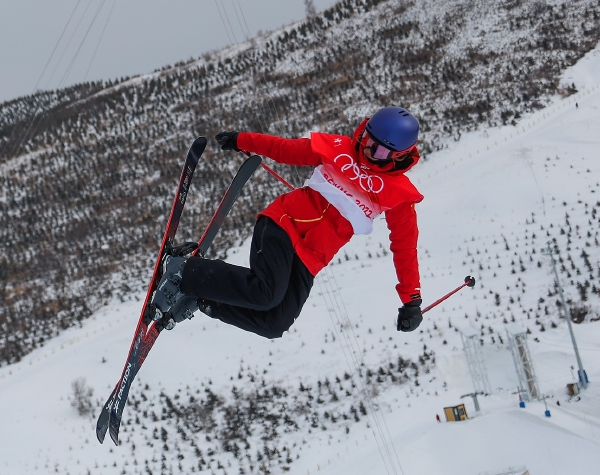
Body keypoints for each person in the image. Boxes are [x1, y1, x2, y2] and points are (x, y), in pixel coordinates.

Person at [150, 106, 424, 338]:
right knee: (264, 293)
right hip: (284, 224)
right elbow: (285, 149)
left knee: (275, 322)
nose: (367, 150)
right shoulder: (339, 149)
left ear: (399, 155)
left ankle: (200, 296)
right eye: (366, 139)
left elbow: (405, 248)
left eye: (378, 151)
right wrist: (242, 139)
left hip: (311, 256)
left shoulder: (399, 196)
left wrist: (411, 300)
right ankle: (184, 271)